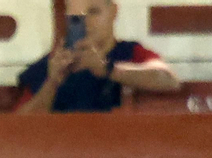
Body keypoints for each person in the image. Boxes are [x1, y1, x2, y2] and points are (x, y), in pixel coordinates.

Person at [16, 0, 179, 114]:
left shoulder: (130, 53)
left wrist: (108, 69)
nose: (87, 23)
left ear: (113, 11)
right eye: (77, 17)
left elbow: (168, 79)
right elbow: (16, 128)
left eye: (94, 12)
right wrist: (52, 83)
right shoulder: (49, 66)